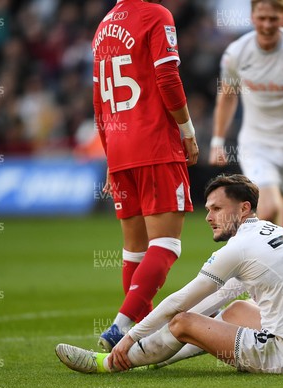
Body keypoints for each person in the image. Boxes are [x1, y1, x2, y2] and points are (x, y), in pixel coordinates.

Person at [56, 174, 283, 374]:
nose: (208, 217)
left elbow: (181, 304)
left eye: (217, 209)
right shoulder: (274, 232)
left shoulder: (239, 247)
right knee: (237, 309)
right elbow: (217, 299)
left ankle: (110, 363)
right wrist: (156, 338)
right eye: (208, 209)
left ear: (244, 209)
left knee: (183, 322)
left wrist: (130, 337)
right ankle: (156, 357)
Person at [92, 0, 199, 351]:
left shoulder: (103, 26)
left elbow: (98, 102)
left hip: (120, 147)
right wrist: (187, 129)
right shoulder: (156, 15)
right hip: (154, 141)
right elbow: (168, 77)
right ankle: (120, 327)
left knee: (135, 252)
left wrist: (111, 156)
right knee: (166, 245)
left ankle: (143, 339)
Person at [209, 0, 283, 227]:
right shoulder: (237, 52)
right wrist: (217, 141)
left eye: (273, 18)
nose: (266, 25)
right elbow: (227, 95)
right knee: (269, 207)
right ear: (252, 17)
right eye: (261, 18)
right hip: (258, 143)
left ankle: (277, 259)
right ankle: (242, 257)